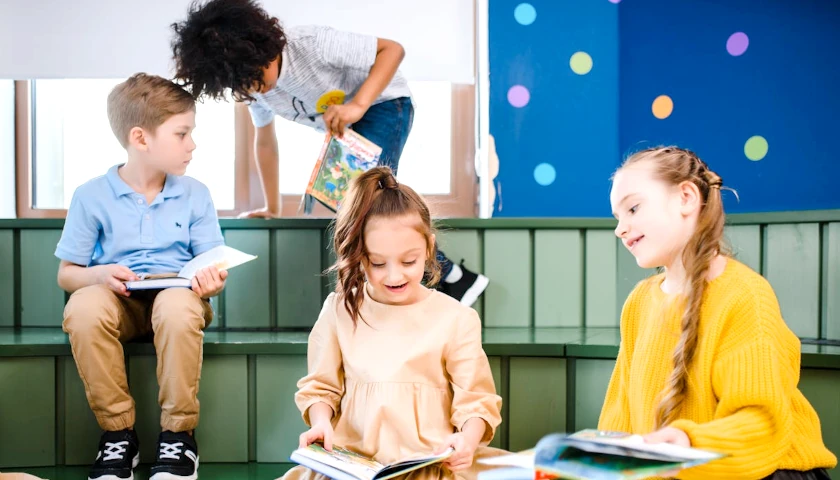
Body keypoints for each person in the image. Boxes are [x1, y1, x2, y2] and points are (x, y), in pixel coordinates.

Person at [169, 0, 490, 306]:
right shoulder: (255, 93)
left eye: (256, 75)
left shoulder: (309, 44)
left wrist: (357, 105)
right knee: (341, 204)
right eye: (244, 84)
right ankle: (454, 277)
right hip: (349, 130)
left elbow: (392, 50)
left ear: (261, 46)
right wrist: (272, 206)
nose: (257, 87)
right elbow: (265, 142)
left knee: (361, 202)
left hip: (385, 105)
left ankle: (435, 278)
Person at [599, 146, 837, 479]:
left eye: (633, 208)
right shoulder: (638, 304)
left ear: (685, 198)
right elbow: (619, 418)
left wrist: (686, 442)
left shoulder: (745, 295)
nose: (620, 229)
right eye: (617, 217)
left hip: (771, 472)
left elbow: (761, 424)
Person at [280, 167, 505, 479]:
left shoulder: (456, 318)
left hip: (433, 467)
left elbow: (477, 402)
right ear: (359, 256)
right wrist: (320, 424)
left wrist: (466, 441)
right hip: (354, 468)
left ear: (429, 247)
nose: (395, 275)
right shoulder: (338, 310)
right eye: (378, 263)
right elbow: (320, 388)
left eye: (408, 262)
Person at [56, 73, 227, 480]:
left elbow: (213, 263)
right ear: (141, 138)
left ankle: (178, 438)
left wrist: (214, 281)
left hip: (179, 301)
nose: (192, 144)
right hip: (121, 303)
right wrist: (97, 274)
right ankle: (118, 438)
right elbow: (67, 275)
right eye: (182, 134)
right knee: (82, 307)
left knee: (173, 304)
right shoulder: (90, 195)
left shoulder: (195, 193)